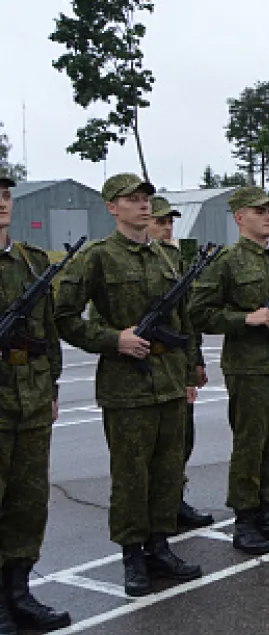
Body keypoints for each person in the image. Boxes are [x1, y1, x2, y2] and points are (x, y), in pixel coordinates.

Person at [54, 173, 203, 596]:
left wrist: (192, 368)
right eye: (132, 199)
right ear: (112, 207)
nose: (142, 206)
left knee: (167, 470)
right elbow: (63, 317)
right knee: (131, 475)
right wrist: (112, 339)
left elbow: (184, 319)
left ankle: (160, 546)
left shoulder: (166, 257)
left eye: (146, 200)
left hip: (170, 380)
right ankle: (132, 556)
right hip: (127, 385)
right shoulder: (97, 258)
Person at [188, 187, 269, 555]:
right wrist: (246, 318)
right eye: (259, 211)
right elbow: (199, 312)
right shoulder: (226, 263)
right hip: (250, 369)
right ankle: (245, 521)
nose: (268, 216)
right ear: (240, 218)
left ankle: (267, 510)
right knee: (250, 447)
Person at [0, 174, 70, 632]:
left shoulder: (31, 261)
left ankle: (19, 592)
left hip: (30, 398)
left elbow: (47, 334)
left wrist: (53, 390)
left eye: (5, 196)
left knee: (28, 502)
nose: (1, 203)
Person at [147, 198, 214, 531]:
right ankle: (154, 510)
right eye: (160, 222)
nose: (166, 227)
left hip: (177, 364)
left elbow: (188, 321)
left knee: (181, 441)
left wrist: (195, 363)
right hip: (143, 368)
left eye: (170, 222)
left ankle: (175, 499)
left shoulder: (176, 260)